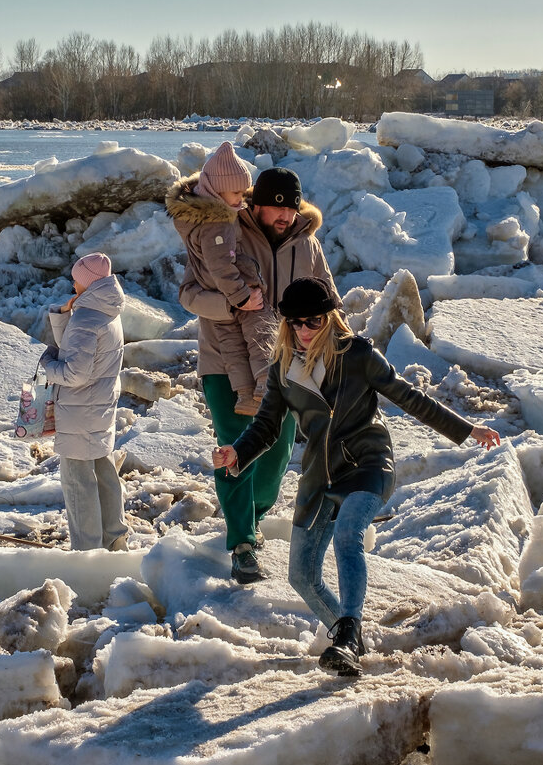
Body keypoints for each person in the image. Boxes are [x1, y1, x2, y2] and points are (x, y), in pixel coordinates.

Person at [212, 278, 500, 677]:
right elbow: (266, 425)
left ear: (329, 319)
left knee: (349, 535)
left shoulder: (358, 354)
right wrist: (237, 452)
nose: (304, 330)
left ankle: (345, 636)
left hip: (367, 463)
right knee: (302, 576)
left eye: (313, 321)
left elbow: (409, 397)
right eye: (295, 323)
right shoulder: (283, 366)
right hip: (319, 475)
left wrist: (467, 430)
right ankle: (350, 637)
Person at [179, 167, 340, 583]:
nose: (285, 215)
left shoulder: (307, 244)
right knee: (236, 447)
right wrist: (233, 305)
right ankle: (243, 543)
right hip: (224, 362)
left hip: (285, 365)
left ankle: (252, 515)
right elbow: (188, 294)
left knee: (276, 456)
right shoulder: (225, 232)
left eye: (291, 207)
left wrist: (343, 347)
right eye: (276, 207)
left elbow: (329, 300)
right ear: (256, 203)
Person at [166, 141, 275, 416]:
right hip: (235, 289)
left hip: (215, 296)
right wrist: (242, 297)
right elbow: (222, 264)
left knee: (232, 345)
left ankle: (246, 396)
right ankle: (265, 383)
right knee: (261, 329)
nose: (242, 198)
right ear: (217, 190)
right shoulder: (219, 222)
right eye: (236, 192)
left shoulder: (198, 219)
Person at [40, 252, 129, 551]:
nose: (73, 283)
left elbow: (74, 373)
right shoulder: (107, 313)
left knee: (78, 483)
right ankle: (114, 539)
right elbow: (78, 350)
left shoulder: (86, 320)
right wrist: (63, 315)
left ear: (87, 283)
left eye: (77, 279)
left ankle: (87, 552)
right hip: (99, 407)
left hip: (79, 411)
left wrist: (47, 365)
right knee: (104, 474)